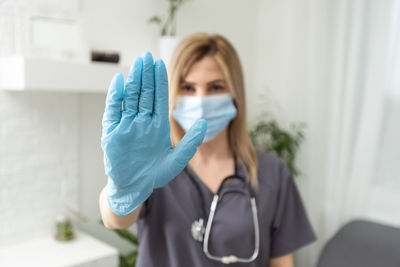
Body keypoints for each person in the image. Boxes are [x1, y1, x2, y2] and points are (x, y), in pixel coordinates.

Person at [99, 33, 316, 267]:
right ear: (173, 92)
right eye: (188, 87)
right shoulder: (155, 163)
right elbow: (115, 219)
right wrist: (123, 192)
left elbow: (282, 262)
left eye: (215, 87)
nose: (201, 100)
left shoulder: (272, 172)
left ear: (235, 94)